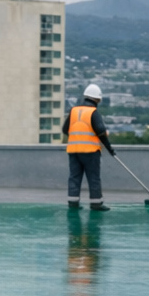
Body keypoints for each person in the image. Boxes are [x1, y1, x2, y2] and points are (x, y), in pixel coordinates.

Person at [62, 83, 116, 211]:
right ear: (97, 99)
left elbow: (65, 129)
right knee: (93, 177)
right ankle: (96, 204)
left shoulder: (73, 111)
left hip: (73, 151)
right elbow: (101, 131)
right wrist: (110, 149)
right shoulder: (93, 112)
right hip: (90, 151)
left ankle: (73, 203)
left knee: (74, 177)